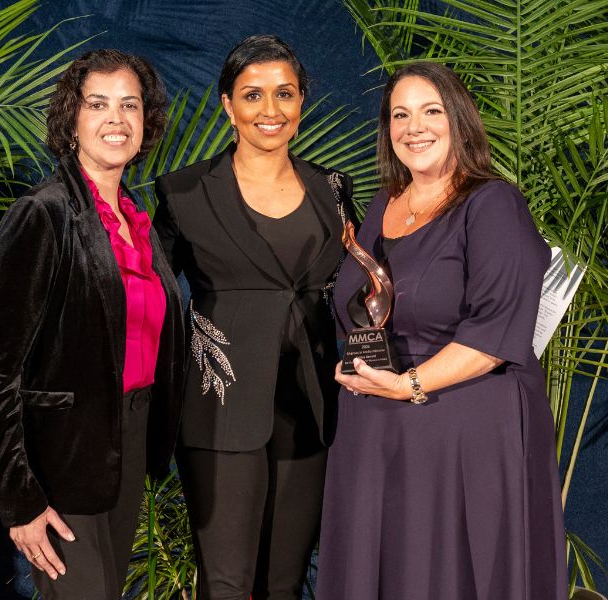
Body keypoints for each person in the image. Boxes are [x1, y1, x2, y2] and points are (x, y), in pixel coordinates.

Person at [316, 62, 567, 599]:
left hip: (462, 431)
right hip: (376, 429)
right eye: (399, 115)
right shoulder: (383, 204)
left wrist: (408, 384)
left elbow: (495, 333)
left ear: (459, 119)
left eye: (431, 111)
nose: (415, 128)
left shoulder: (493, 203)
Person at [0, 49, 184, 600]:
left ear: (146, 122)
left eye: (130, 105)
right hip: (61, 460)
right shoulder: (44, 213)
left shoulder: (136, 218)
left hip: (126, 445)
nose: (117, 119)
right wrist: (19, 500)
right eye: (98, 104)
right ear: (72, 121)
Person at [153, 34, 354, 600]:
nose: (271, 110)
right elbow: (151, 298)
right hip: (219, 408)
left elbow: (362, 285)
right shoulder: (185, 191)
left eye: (285, 93)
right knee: (225, 585)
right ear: (227, 104)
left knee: (284, 586)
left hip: (310, 411)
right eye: (252, 94)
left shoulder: (333, 189)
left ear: (302, 101)